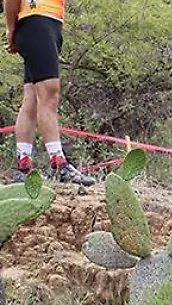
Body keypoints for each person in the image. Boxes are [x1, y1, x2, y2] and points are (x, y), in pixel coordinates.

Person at [5, 0, 94, 185]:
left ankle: (24, 165)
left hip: (51, 23)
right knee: (49, 93)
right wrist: (10, 28)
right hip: (35, 21)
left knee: (32, 99)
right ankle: (59, 164)